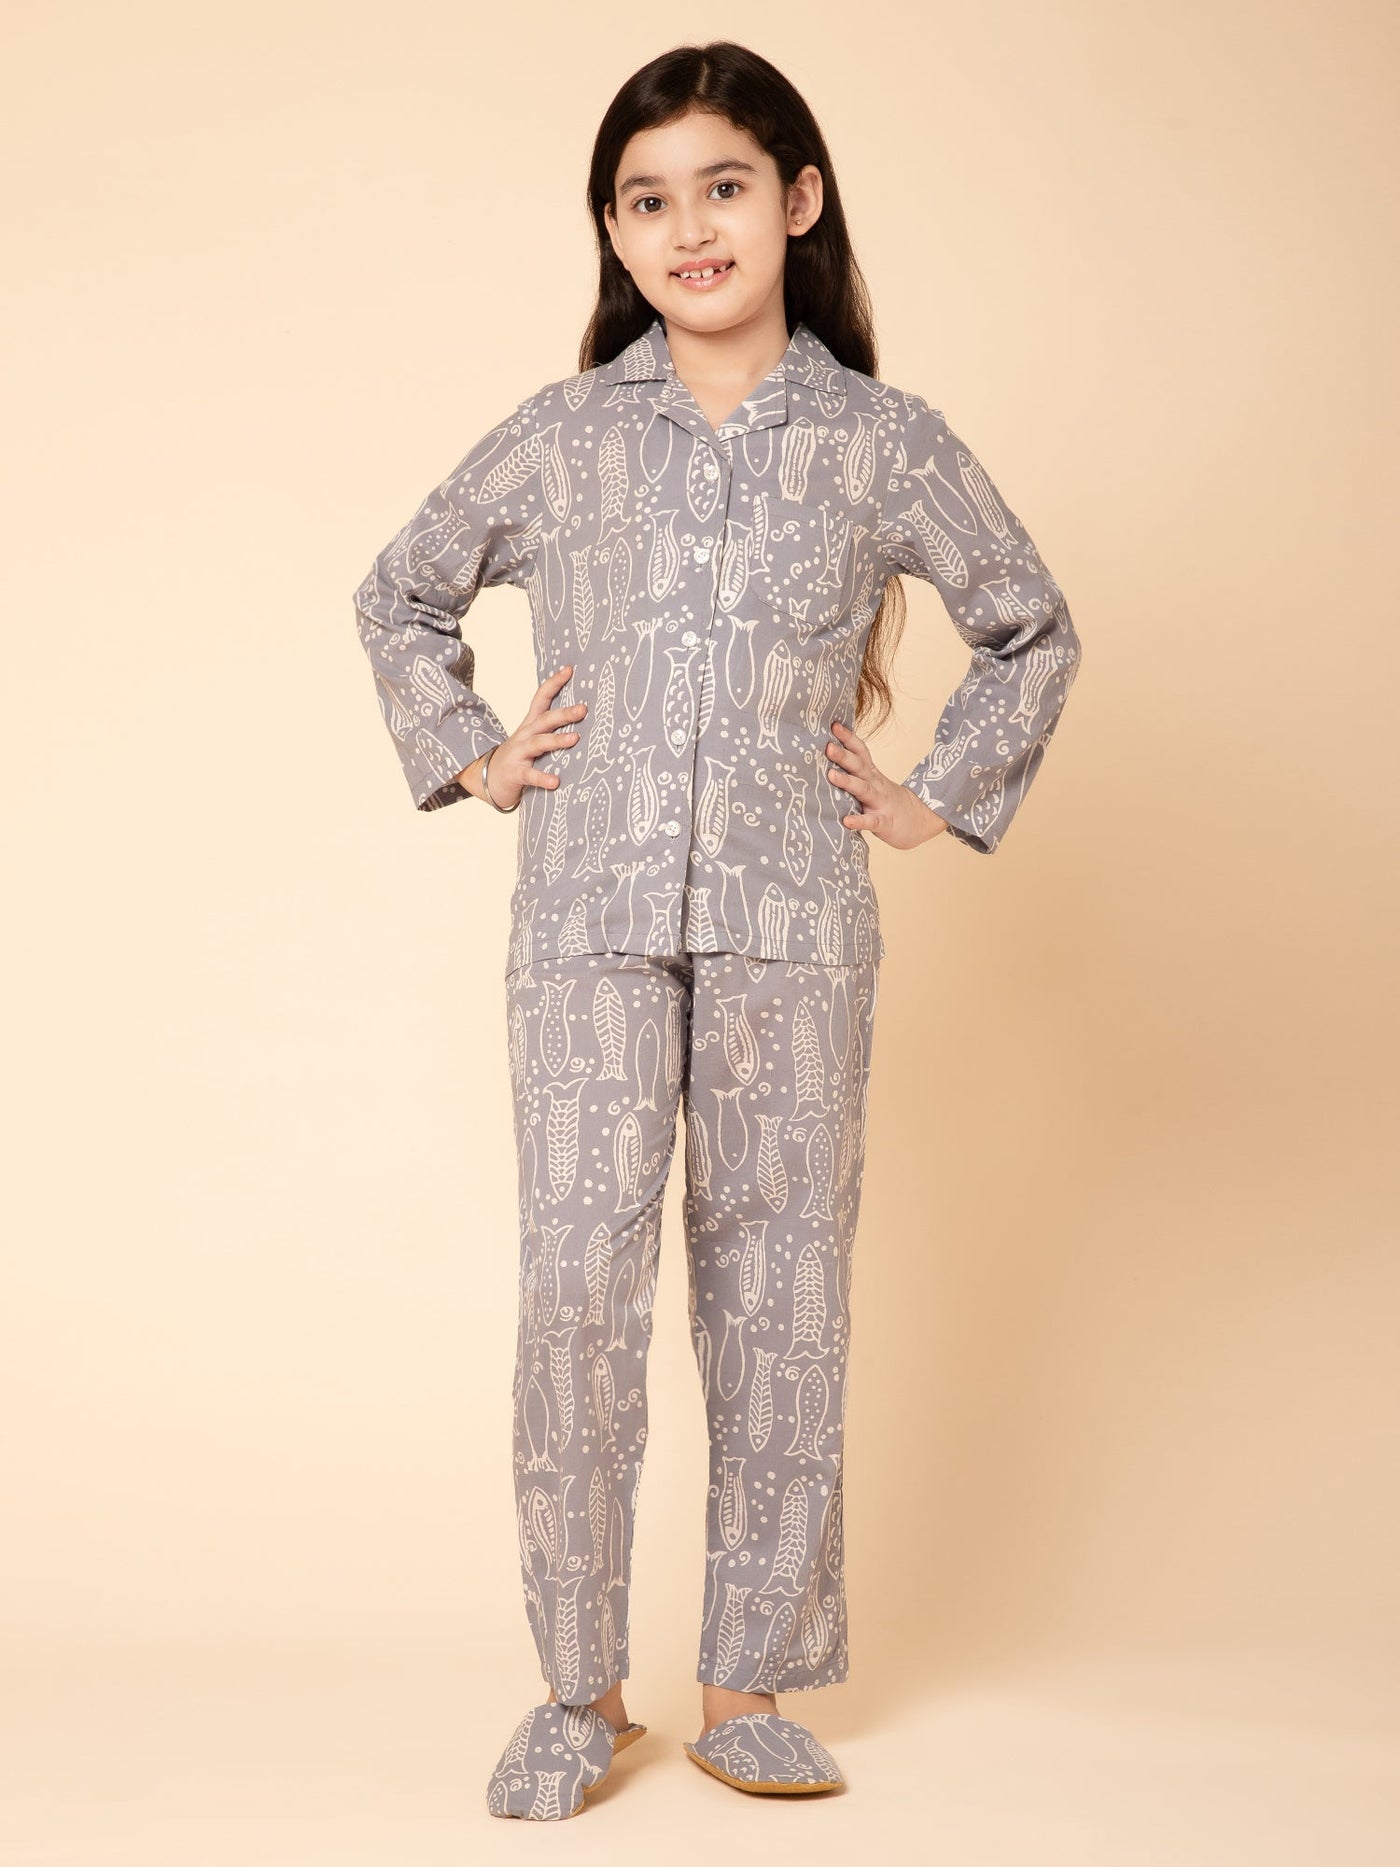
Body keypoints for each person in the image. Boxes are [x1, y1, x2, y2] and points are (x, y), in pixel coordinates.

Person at [351, 40, 1081, 1822]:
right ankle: (578, 1692)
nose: (689, 227)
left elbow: (1028, 624)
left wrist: (937, 792)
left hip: (794, 929)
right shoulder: (563, 436)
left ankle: (747, 1683)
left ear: (799, 200)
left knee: (782, 1292)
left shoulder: (881, 440)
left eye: (724, 187)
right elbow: (400, 595)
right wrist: (475, 752)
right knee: (577, 1292)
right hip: (586, 923)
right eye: (648, 199)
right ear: (614, 232)